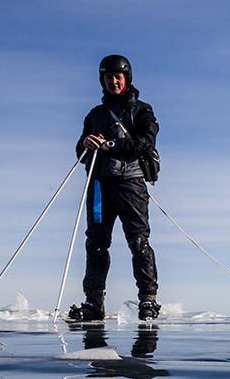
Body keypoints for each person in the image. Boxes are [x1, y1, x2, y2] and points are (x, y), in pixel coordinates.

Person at [67, 55, 161, 322]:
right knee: (95, 244)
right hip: (98, 186)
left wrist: (111, 145)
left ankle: (148, 301)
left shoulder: (142, 110)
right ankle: (93, 303)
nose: (114, 81)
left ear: (127, 79)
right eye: (108, 77)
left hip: (130, 183)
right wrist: (86, 143)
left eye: (118, 76)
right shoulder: (94, 115)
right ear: (102, 81)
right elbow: (79, 151)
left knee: (138, 241)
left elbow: (146, 142)